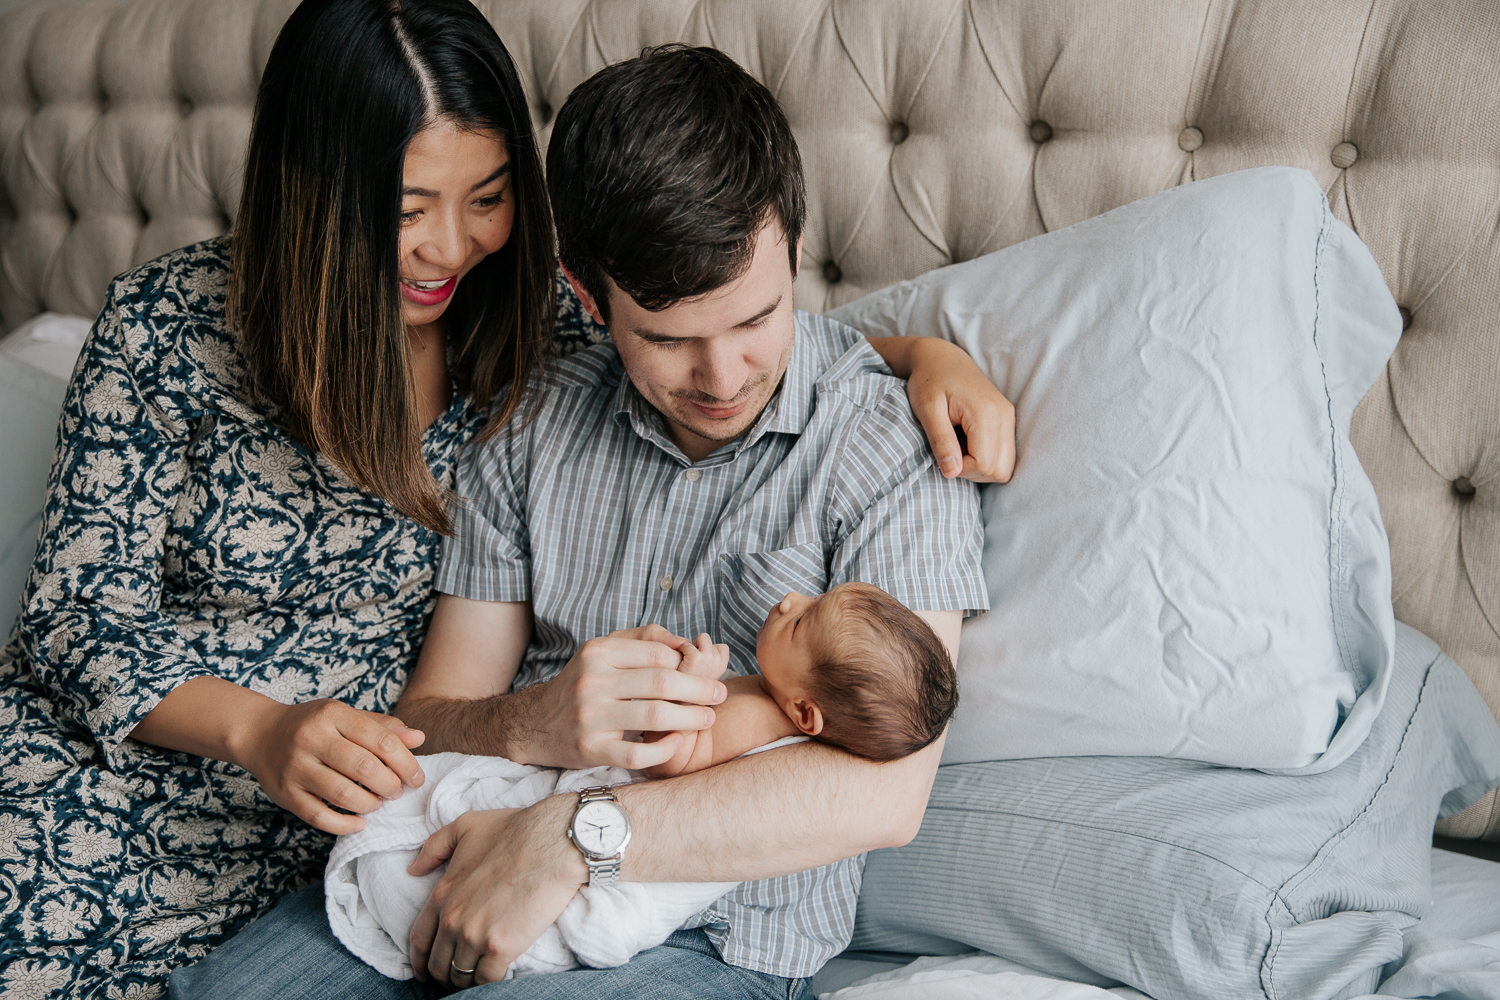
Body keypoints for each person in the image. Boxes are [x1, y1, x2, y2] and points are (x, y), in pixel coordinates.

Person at [0, 2, 1012, 996]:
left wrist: (921, 353)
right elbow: (424, 713)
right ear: (588, 298)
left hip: (663, 912)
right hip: (391, 831)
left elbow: (885, 786)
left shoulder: (882, 440)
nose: (723, 375)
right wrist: (529, 726)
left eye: (485, 198)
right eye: (663, 338)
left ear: (796, 252)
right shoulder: (532, 398)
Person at [320, 583, 956, 982]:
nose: (791, 600)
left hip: (703, 932)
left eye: (801, 622)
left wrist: (698, 688)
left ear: (806, 715)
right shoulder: (775, 698)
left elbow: (672, 759)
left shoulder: (756, 715)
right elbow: (425, 711)